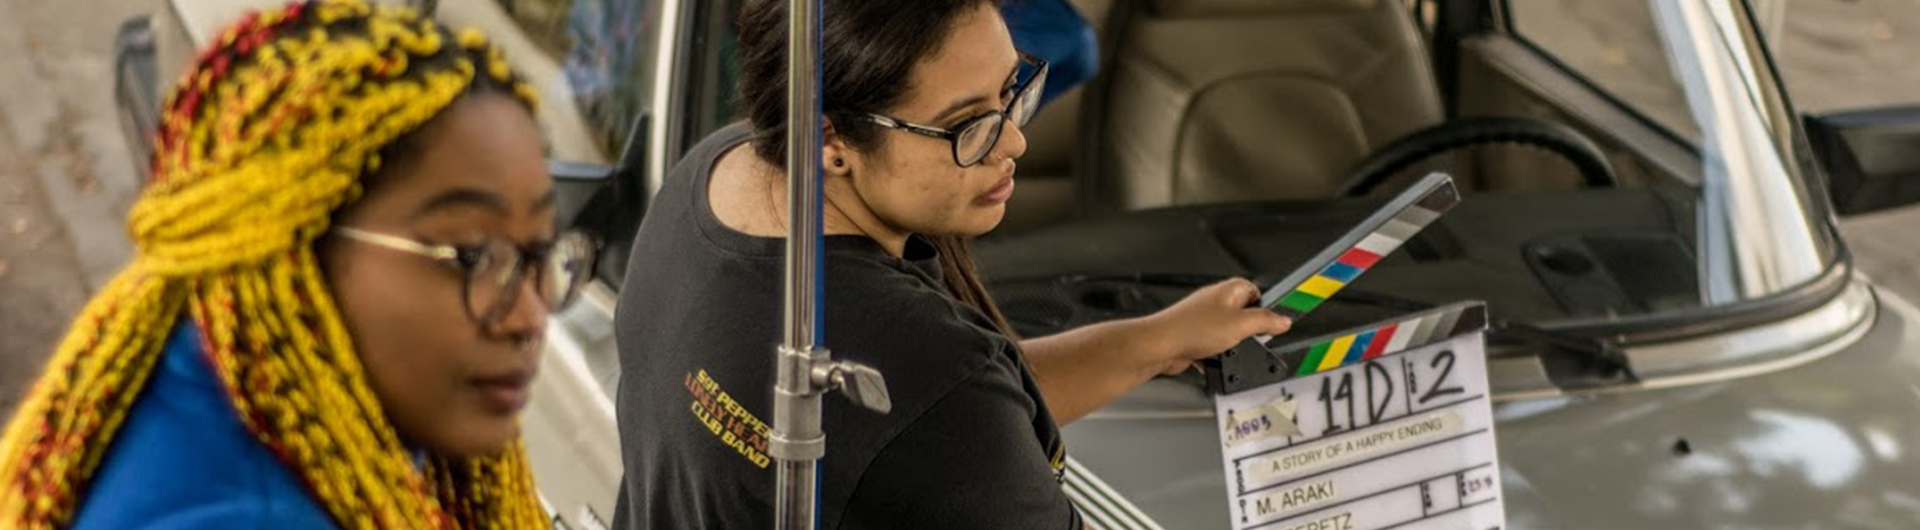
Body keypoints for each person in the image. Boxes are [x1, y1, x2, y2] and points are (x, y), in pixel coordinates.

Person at [611, 0, 1291, 528]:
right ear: (830, 139)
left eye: (1011, 90)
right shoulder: (918, 368)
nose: (1014, 139)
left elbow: (926, 432)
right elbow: (942, 415)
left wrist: (1153, 340)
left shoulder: (717, 171)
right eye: (968, 125)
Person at [0, 1, 594, 527]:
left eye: (539, 252)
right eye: (473, 257)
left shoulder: (215, 381)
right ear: (293, 247)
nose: (529, 317)